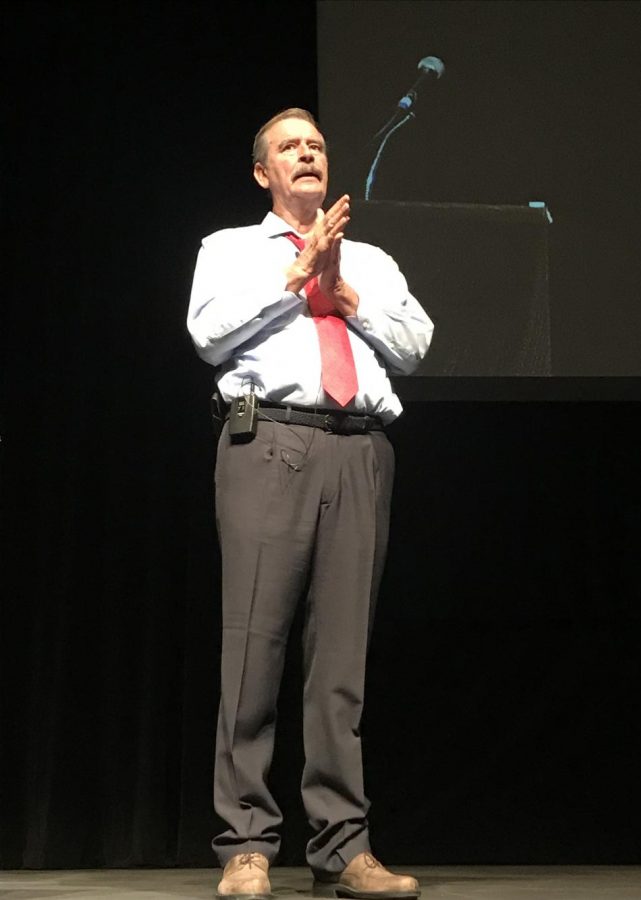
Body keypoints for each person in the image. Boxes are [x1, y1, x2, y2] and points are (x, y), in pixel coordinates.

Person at [187, 108, 433, 900]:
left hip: (359, 446)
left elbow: (417, 343)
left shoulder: (372, 258)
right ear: (263, 172)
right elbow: (208, 334)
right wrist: (294, 280)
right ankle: (248, 847)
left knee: (340, 664)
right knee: (253, 646)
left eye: (317, 146)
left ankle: (344, 847)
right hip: (271, 442)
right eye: (290, 148)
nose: (307, 156)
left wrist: (343, 291)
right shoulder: (228, 250)